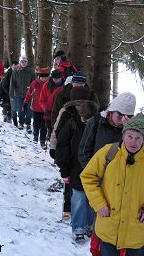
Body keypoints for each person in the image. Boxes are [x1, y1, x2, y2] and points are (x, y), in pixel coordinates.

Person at [80, 113, 144, 255]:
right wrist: (99, 203)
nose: (133, 142)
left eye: (138, 137)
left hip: (136, 231)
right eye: (130, 136)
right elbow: (87, 176)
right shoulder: (109, 152)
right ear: (123, 135)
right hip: (109, 227)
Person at [56, 91, 99, 242]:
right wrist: (64, 170)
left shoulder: (99, 126)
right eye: (85, 120)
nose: (87, 123)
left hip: (95, 170)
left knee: (93, 199)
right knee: (79, 198)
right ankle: (79, 228)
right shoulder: (72, 124)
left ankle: (90, 226)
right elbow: (62, 146)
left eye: (90, 120)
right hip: (75, 169)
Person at [78, 92, 136, 169]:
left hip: (122, 177)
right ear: (112, 110)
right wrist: (93, 173)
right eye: (119, 116)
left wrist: (130, 131)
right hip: (98, 174)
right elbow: (84, 152)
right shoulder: (96, 122)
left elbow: (141, 153)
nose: (122, 120)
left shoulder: (134, 129)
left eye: (127, 117)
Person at [23, 67, 50, 147]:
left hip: (45, 109)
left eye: (45, 77)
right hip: (36, 108)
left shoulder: (50, 84)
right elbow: (29, 94)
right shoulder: (34, 84)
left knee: (44, 125)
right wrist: (25, 103)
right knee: (36, 123)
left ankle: (42, 140)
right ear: (39, 76)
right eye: (42, 77)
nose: (44, 78)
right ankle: (35, 136)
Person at [9, 55, 35, 131]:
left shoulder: (31, 71)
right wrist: (11, 94)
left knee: (29, 110)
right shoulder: (16, 71)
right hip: (18, 94)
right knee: (20, 109)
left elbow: (34, 83)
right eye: (22, 62)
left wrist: (32, 91)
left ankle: (28, 124)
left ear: (27, 62)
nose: (23, 63)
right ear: (20, 62)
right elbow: (12, 83)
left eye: (25, 61)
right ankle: (21, 122)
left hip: (28, 94)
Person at [39, 69, 64, 148]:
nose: (56, 80)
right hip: (49, 112)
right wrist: (46, 108)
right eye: (54, 78)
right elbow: (41, 100)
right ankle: (51, 142)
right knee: (50, 128)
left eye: (58, 78)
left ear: (61, 77)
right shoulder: (46, 85)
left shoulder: (65, 86)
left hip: (61, 111)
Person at [0, 61, 18, 125]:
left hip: (14, 92)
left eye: (17, 67)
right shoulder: (8, 73)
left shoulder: (18, 73)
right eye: (14, 67)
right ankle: (5, 115)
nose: (15, 68)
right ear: (11, 66)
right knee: (5, 105)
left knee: (11, 106)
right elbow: (4, 85)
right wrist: (9, 93)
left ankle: (9, 117)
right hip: (6, 92)